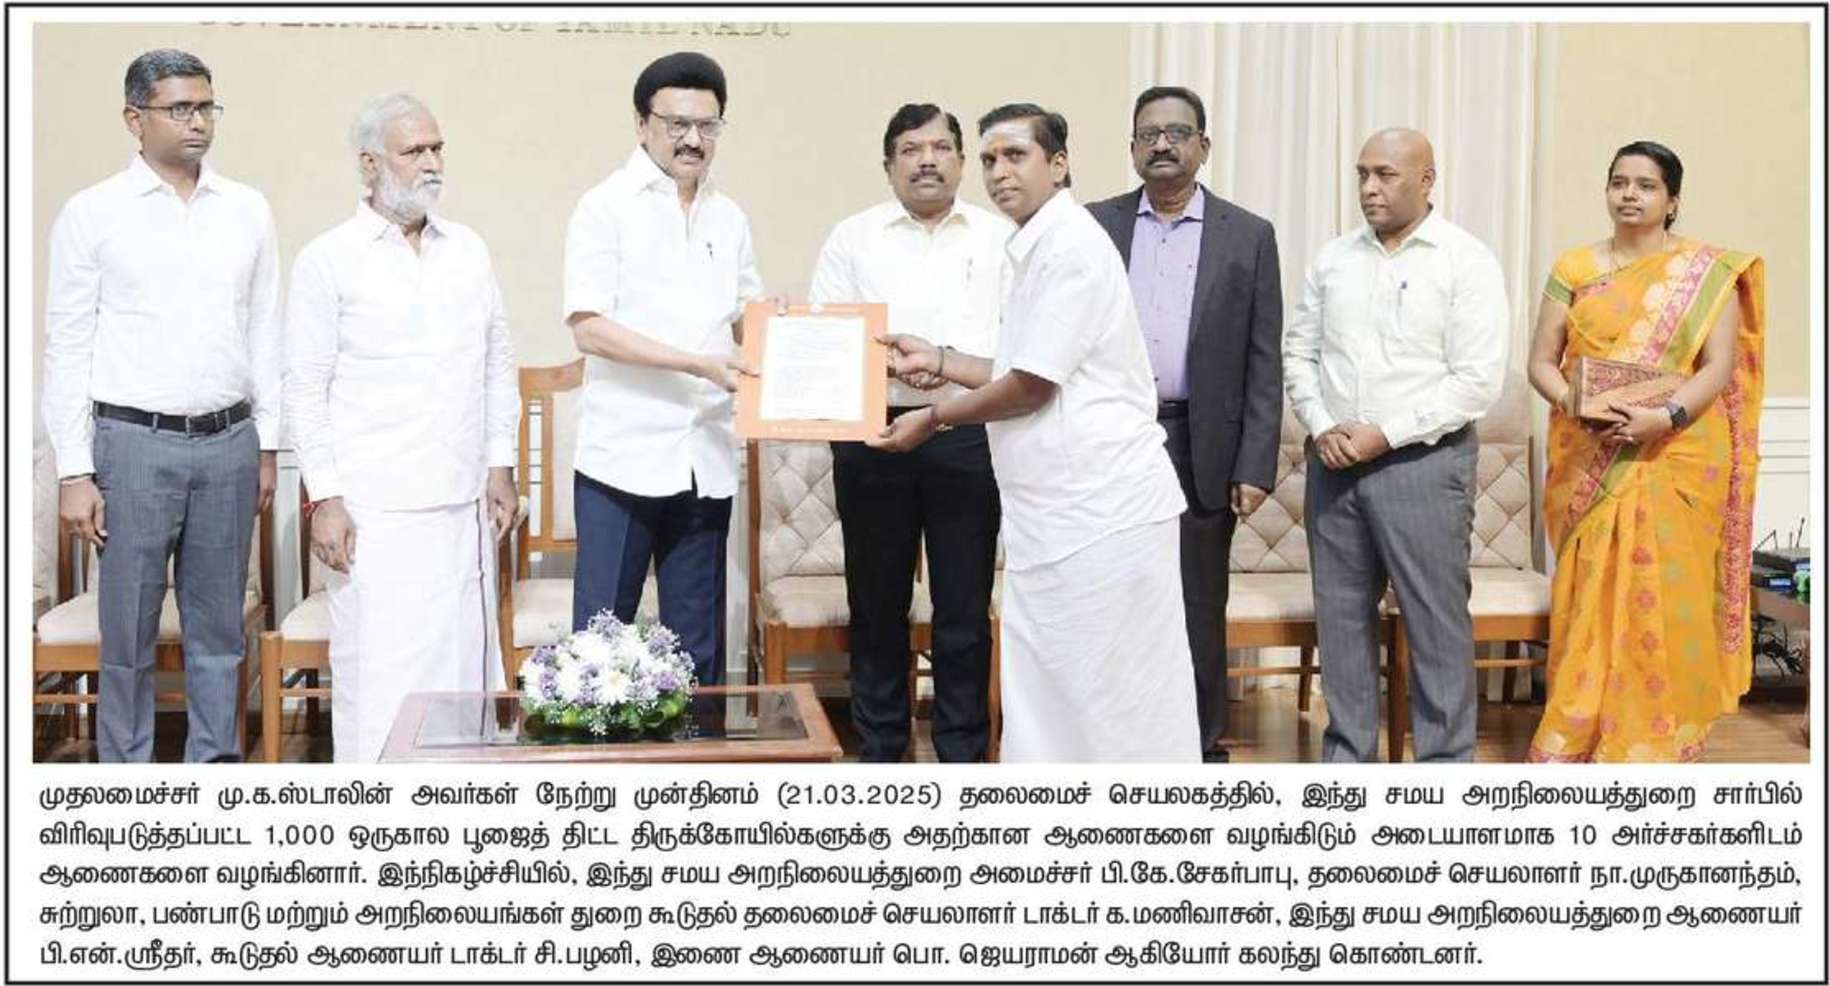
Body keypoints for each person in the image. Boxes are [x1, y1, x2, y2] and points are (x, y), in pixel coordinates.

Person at [870, 103, 1199, 763]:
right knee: (1055, 699)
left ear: (1059, 163)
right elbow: (1027, 365)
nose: (999, 173)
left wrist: (932, 417)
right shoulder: (1036, 246)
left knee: (1109, 704)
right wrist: (939, 358)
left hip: (1102, 514)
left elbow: (1031, 386)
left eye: (1016, 156)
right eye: (990, 159)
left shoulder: (1071, 247)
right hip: (1059, 516)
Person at [42, 49, 280, 762]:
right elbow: (67, 345)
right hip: (132, 446)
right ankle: (129, 789)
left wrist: (268, 444)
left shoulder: (246, 209)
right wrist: (74, 470)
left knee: (219, 635)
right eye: (180, 108)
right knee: (128, 636)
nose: (198, 122)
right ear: (134, 118)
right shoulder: (93, 213)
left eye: (206, 106)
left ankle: (214, 780)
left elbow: (265, 331)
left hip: (229, 443)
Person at [285, 93, 519, 763]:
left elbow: (497, 362)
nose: (432, 162)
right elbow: (304, 389)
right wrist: (326, 498)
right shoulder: (327, 259)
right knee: (383, 686)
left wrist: (500, 465)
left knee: (464, 680)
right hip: (375, 515)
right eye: (414, 150)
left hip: (462, 509)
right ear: (369, 164)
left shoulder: (468, 250)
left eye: (437, 148)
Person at [1526, 141, 1764, 763]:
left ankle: (1655, 737)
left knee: (1667, 593)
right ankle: (1578, 730)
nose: (1629, 194)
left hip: (1675, 453)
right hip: (1591, 449)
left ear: (1672, 201)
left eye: (1646, 185)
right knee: (1591, 592)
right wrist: (1576, 405)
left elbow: (1716, 367)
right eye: (1619, 182)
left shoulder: (1706, 274)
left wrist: (1665, 418)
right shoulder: (1576, 266)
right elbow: (1541, 362)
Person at [1283, 127, 1509, 763]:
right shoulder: (1334, 259)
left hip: (1423, 464)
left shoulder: (1465, 261)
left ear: (1427, 179)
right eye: (1362, 174)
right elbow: (1299, 352)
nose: (1369, 188)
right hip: (1334, 464)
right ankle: (1347, 764)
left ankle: (1443, 770)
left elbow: (1475, 381)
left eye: (1385, 174)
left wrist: (1382, 435)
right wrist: (1322, 425)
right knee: (1340, 622)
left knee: (1435, 623)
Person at [1086, 85, 1283, 764]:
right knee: (1115, 600)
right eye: (1149, 134)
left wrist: (1254, 464)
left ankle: (1198, 749)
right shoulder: (1095, 226)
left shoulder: (1248, 235)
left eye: (1177, 132)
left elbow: (1264, 356)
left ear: (1204, 145)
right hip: (1115, 441)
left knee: (1198, 604)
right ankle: (1120, 743)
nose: (1163, 144)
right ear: (1132, 148)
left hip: (1203, 444)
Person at [809, 104, 1010, 762]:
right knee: (876, 604)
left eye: (941, 148)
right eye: (911, 149)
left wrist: (946, 364)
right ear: (888, 165)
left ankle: (962, 754)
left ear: (962, 161)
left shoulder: (1000, 238)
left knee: (963, 608)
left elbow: (1019, 344)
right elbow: (828, 341)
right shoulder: (852, 238)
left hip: (969, 431)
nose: (927, 160)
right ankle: (881, 752)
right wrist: (889, 366)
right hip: (874, 430)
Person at [563, 51, 761, 685]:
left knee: (697, 653)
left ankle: (698, 752)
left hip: (704, 458)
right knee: (601, 649)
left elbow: (746, 321)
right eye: (677, 124)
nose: (693, 139)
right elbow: (589, 328)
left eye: (707, 125)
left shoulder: (728, 216)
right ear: (642, 123)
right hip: (622, 461)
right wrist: (696, 365)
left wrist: (784, 328)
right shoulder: (604, 206)